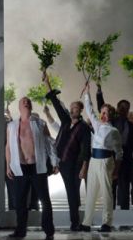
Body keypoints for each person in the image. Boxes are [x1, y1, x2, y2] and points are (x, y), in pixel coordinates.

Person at [5, 95, 57, 240]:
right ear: (19, 107)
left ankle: (49, 230)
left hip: (37, 166)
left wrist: (55, 162)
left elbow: (50, 143)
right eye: (23, 101)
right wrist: (8, 166)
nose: (26, 102)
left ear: (31, 106)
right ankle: (20, 231)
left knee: (45, 200)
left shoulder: (40, 123)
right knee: (20, 202)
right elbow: (8, 147)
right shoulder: (12, 126)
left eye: (28, 101)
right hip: (19, 167)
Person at [44, 74, 90, 232]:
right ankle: (73, 220)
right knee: (72, 193)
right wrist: (48, 84)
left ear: (80, 110)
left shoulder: (84, 128)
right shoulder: (65, 121)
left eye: (75, 108)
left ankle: (75, 222)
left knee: (72, 192)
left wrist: (84, 167)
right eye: (71, 108)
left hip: (74, 165)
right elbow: (56, 105)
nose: (72, 110)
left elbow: (85, 149)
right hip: (60, 162)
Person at [95, 84, 133, 210]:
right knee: (110, 188)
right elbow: (102, 107)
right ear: (117, 108)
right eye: (122, 107)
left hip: (126, 161)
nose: (124, 109)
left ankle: (124, 214)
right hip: (110, 158)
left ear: (128, 110)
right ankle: (109, 213)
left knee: (124, 188)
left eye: (126, 108)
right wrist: (99, 92)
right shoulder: (110, 121)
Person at [81, 81, 122, 233]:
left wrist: (116, 170)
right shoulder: (97, 125)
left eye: (106, 113)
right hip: (94, 161)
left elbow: (119, 154)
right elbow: (89, 110)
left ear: (111, 115)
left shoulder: (114, 131)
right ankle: (86, 222)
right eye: (103, 112)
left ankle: (107, 222)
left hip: (106, 161)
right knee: (91, 192)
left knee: (106, 193)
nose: (103, 115)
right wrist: (87, 93)